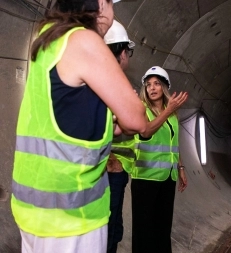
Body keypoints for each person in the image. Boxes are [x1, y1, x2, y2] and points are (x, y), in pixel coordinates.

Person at [11, 0, 147, 252]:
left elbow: (66, 119)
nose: (112, 11)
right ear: (97, 5)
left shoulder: (48, 40)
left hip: (34, 210)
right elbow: (137, 118)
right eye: (109, 3)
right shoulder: (84, 41)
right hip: (71, 215)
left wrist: (109, 127)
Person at [130, 66, 188, 253]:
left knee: (163, 230)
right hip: (145, 178)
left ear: (164, 87)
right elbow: (146, 131)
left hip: (167, 178)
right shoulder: (141, 110)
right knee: (144, 233)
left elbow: (174, 144)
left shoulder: (172, 115)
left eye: (156, 84)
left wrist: (180, 168)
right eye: (148, 85)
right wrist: (168, 110)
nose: (152, 88)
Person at [103, 19, 135, 253]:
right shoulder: (114, 83)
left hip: (115, 168)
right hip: (111, 168)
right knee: (109, 224)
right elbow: (133, 125)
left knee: (113, 224)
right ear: (123, 52)